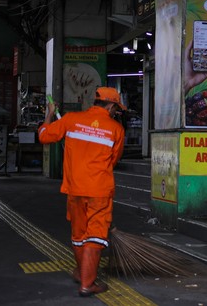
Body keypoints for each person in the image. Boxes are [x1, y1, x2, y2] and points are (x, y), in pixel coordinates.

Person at [38, 87, 126, 297]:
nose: (116, 113)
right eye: (117, 109)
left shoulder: (71, 120)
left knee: (79, 235)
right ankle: (88, 283)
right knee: (95, 235)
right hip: (99, 190)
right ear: (112, 106)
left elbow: (43, 136)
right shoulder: (116, 129)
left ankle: (81, 272)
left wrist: (50, 113)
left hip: (75, 189)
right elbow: (113, 161)